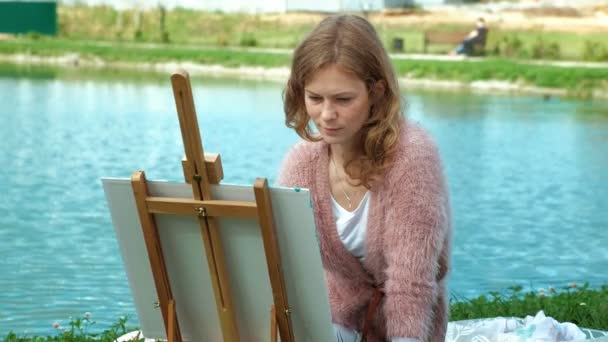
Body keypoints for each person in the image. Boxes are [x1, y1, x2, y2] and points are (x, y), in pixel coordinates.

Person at [277, 14, 451, 342]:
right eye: (315, 98)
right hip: (335, 323)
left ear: (376, 92)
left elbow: (411, 281)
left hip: (405, 330)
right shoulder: (300, 163)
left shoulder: (412, 156)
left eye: (343, 99)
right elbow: (289, 267)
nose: (326, 115)